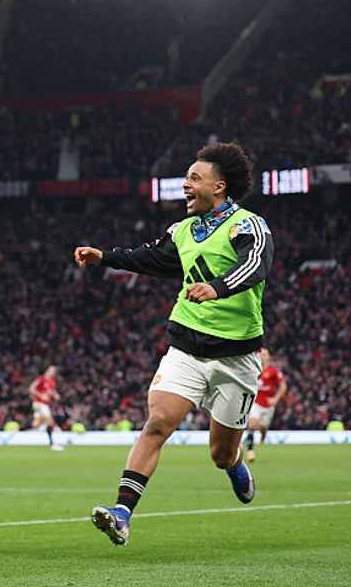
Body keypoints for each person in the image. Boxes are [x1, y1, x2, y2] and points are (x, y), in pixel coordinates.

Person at [73, 142, 273, 546]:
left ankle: (235, 463)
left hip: (236, 357)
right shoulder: (182, 231)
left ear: (220, 187)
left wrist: (216, 288)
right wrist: (104, 257)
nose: (185, 185)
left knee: (220, 453)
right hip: (185, 349)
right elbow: (151, 258)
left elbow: (256, 265)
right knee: (158, 423)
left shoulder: (247, 225)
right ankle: (122, 513)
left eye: (194, 178)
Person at [245, 347, 287, 461]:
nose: (262, 356)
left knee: (263, 427)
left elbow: (283, 385)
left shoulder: (273, 371)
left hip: (268, 405)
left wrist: (276, 399)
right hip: (255, 402)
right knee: (252, 425)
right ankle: (250, 451)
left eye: (264, 355)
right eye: (260, 354)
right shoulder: (252, 369)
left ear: (268, 357)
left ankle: (263, 434)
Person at [29, 365, 65, 451]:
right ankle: (51, 444)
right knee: (50, 422)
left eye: (54, 371)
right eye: (51, 371)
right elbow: (31, 389)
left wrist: (55, 395)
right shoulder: (40, 379)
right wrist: (41, 395)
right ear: (47, 371)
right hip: (39, 404)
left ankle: (18, 428)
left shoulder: (52, 381)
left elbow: (52, 391)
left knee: (36, 424)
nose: (53, 373)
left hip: (45, 404)